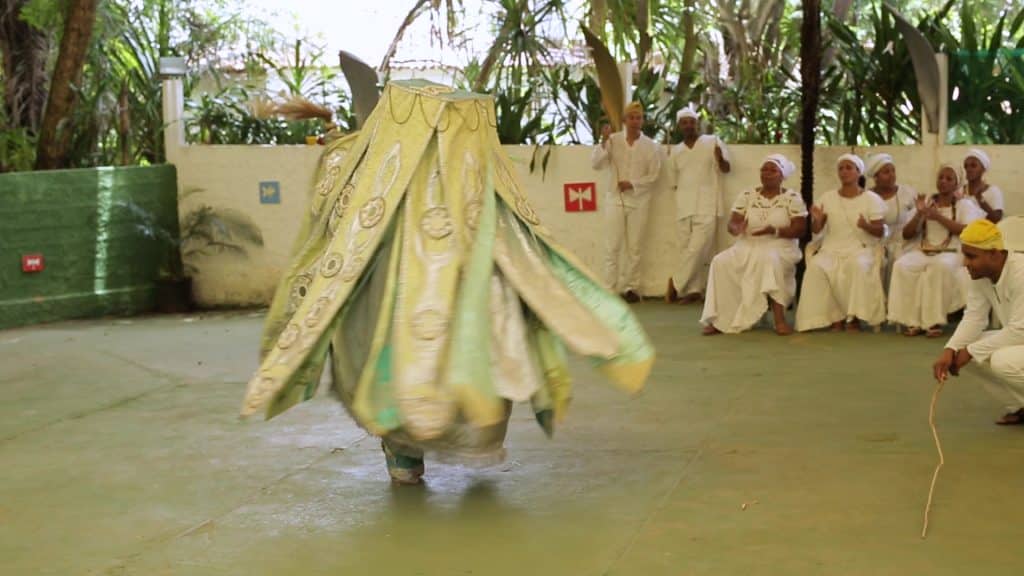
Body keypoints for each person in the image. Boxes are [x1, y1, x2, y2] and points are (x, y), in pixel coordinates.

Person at [240, 80, 655, 484]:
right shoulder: (382, 170)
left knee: (443, 369)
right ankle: (408, 449)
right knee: (401, 368)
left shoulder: (436, 173)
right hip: (389, 298)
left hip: (443, 301)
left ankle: (414, 450)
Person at [700, 154, 806, 335]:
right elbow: (733, 223)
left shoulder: (792, 197)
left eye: (772, 170)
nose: (767, 173)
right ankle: (720, 320)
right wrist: (736, 228)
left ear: (782, 176)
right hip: (747, 245)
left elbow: (800, 229)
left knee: (769, 260)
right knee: (720, 261)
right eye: (764, 169)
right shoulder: (748, 195)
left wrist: (775, 231)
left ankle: (779, 320)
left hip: (780, 246)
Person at [933, 219, 1024, 425]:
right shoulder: (979, 273)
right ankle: (1019, 406)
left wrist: (971, 351)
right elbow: (974, 316)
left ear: (994, 253)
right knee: (964, 352)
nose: (965, 263)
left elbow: (1021, 330)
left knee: (1002, 360)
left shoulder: (1021, 273)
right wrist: (951, 348)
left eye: (971, 256)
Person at [887, 164, 984, 337]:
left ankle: (932, 322)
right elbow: (907, 234)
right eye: (941, 178)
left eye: (949, 179)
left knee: (939, 267)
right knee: (902, 265)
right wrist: (919, 214)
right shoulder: (927, 203)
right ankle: (912, 321)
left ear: (957, 183)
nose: (943, 182)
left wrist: (938, 217)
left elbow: (966, 231)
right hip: (924, 250)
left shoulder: (964, 205)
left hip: (952, 252)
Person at [795, 154, 887, 332]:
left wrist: (866, 225)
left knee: (857, 266)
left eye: (849, 168)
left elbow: (881, 231)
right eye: (841, 168)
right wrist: (818, 220)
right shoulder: (828, 198)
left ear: (858, 172)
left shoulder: (871, 199)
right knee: (816, 267)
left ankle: (853, 319)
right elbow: (816, 230)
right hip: (831, 248)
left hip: (860, 249)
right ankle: (830, 319)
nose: (844, 172)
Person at [591, 101, 663, 303]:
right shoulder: (612, 140)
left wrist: (632, 184)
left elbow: (654, 175)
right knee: (612, 246)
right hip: (614, 199)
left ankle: (632, 287)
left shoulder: (651, 146)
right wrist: (603, 141)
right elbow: (596, 164)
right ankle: (609, 288)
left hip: (639, 202)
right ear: (624, 120)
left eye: (638, 117)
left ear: (642, 120)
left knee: (635, 248)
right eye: (631, 117)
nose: (635, 121)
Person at [665, 106, 731, 304]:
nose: (688, 126)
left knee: (698, 247)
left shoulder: (713, 142)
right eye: (684, 122)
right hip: (684, 205)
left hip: (707, 204)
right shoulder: (676, 151)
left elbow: (727, 169)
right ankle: (694, 291)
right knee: (687, 249)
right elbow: (673, 182)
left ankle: (675, 284)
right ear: (679, 126)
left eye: (691, 122)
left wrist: (720, 158)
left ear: (697, 123)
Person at [865, 153, 917, 287]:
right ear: (876, 177)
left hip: (905, 244)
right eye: (886, 172)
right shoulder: (867, 197)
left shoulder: (907, 193)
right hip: (876, 246)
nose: (892, 175)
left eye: (893, 170)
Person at [961, 148, 1004, 224]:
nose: (968, 169)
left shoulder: (993, 191)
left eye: (973, 166)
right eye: (966, 166)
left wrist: (980, 198)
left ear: (983, 169)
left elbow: (997, 218)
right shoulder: (959, 191)